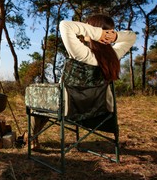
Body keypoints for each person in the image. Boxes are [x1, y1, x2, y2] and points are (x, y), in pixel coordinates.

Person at [30, 14, 137, 150]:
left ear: (95, 30)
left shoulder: (83, 54)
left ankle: (32, 137)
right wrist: (115, 37)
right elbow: (132, 36)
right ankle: (32, 137)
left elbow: (65, 25)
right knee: (51, 99)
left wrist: (98, 34)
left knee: (40, 99)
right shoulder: (113, 56)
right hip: (97, 109)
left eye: (87, 26)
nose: (84, 28)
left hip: (70, 109)